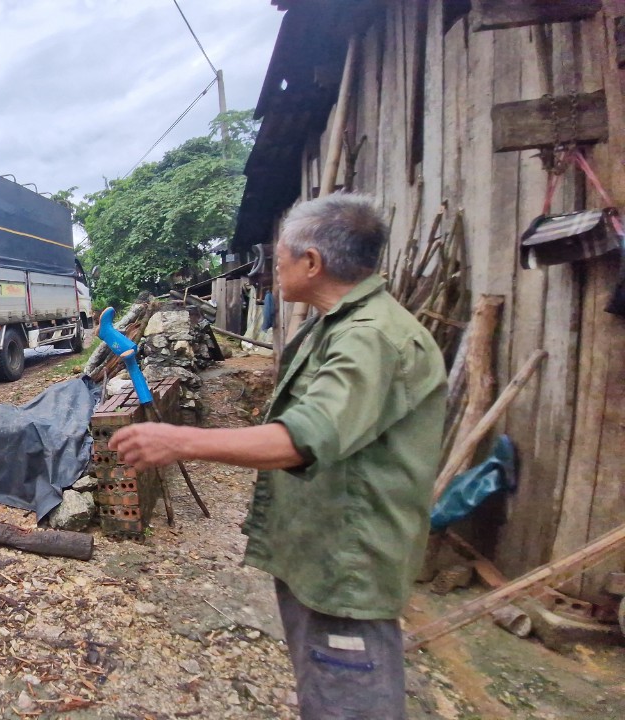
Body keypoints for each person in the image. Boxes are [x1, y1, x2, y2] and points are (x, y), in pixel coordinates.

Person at [109, 194, 446, 719]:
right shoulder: (337, 325)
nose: (272, 266)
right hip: (322, 550)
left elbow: (300, 439)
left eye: (280, 253)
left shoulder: (371, 338)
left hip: (346, 563)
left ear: (312, 262)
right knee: (325, 688)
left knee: (347, 702)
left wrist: (180, 441)